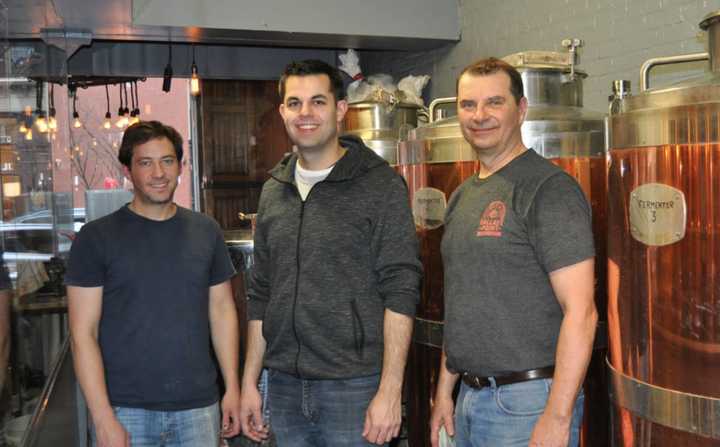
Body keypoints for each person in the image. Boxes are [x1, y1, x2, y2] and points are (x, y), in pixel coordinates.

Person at [239, 59, 422, 447]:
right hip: (285, 387)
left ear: (340, 110)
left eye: (318, 102)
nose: (305, 114)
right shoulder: (275, 188)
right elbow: (261, 295)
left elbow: (401, 291)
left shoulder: (379, 185)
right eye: (294, 103)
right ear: (282, 111)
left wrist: (391, 391)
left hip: (354, 389)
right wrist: (250, 383)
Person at [429, 58, 597, 447]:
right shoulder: (462, 196)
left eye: (494, 103)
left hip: (526, 403)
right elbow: (461, 306)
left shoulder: (549, 190)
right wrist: (443, 394)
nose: (479, 115)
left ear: (520, 110)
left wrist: (557, 417)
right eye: (468, 105)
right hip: (469, 397)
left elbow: (582, 312)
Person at [66, 120, 241, 447]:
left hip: (199, 408)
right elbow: (82, 334)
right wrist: (102, 418)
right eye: (146, 163)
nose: (158, 173)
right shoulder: (96, 238)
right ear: (128, 171)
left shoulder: (206, 231)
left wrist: (231, 387)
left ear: (180, 166)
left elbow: (222, 312)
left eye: (167, 161)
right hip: (125, 410)